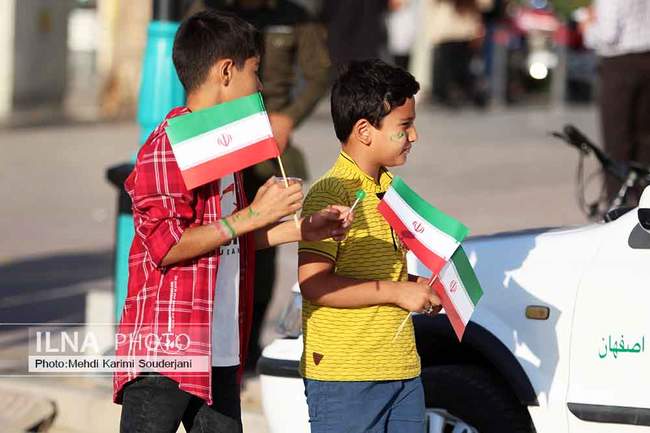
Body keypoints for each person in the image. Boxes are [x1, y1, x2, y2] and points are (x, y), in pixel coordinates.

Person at [113, 10, 352, 433]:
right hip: (168, 345)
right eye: (254, 72)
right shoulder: (170, 145)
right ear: (226, 72)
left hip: (219, 345)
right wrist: (252, 215)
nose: (259, 86)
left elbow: (229, 239)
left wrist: (299, 229)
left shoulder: (225, 148)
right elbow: (166, 245)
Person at [297, 59, 442, 433]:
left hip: (402, 369)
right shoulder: (331, 193)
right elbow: (314, 284)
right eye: (404, 126)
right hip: (346, 377)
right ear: (364, 130)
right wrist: (397, 292)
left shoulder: (391, 189)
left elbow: (381, 273)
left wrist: (417, 286)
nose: (414, 136)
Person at [199, 0, 332, 368]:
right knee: (210, 231)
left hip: (267, 141)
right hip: (218, 133)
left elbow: (319, 72)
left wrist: (288, 117)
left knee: (262, 250)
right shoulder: (209, 10)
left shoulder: (295, 17)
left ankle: (248, 340)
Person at [580, 0, 650, 202]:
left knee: (617, 139)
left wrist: (586, 27)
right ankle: (644, 200)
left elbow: (607, 35)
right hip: (647, 59)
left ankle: (620, 203)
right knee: (645, 138)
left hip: (619, 64)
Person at [429, 0, 493, 108]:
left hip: (467, 32)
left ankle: (468, 93)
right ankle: (449, 94)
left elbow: (486, 5)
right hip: (447, 33)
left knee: (466, 68)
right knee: (447, 68)